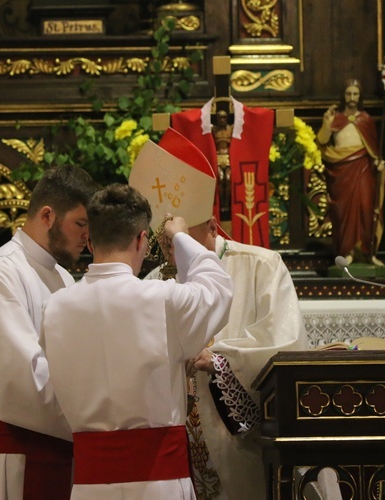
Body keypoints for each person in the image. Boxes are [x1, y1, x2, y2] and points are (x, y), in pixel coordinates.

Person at [134, 128, 308, 500]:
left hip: (236, 441)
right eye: (165, 244)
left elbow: (285, 342)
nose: (173, 254)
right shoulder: (154, 278)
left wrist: (221, 360)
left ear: (212, 226)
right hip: (173, 440)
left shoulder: (261, 266)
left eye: (181, 241)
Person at [40, 182, 233, 498]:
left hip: (90, 486)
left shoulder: (54, 307)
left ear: (90, 241)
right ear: (142, 240)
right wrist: (181, 237)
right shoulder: (162, 299)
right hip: (158, 482)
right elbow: (218, 288)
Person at [0, 165, 98, 499]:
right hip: (16, 454)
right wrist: (97, 415)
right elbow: (20, 383)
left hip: (60, 444)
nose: (87, 238)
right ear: (48, 215)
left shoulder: (63, 276)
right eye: (81, 224)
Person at [171, 97, 275, 247]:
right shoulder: (213, 129)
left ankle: (225, 206)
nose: (222, 119)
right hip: (219, 161)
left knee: (227, 183)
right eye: (219, 117)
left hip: (227, 160)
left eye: (224, 117)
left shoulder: (230, 129)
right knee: (219, 182)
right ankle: (223, 208)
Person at [316, 78, 385, 266]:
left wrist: (378, 164)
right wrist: (326, 124)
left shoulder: (366, 119)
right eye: (349, 94)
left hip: (363, 169)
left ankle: (368, 252)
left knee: (365, 208)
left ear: (360, 96)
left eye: (355, 94)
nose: (352, 98)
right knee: (343, 212)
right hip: (341, 171)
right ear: (343, 96)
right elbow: (322, 142)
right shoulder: (335, 118)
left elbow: (373, 150)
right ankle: (346, 251)